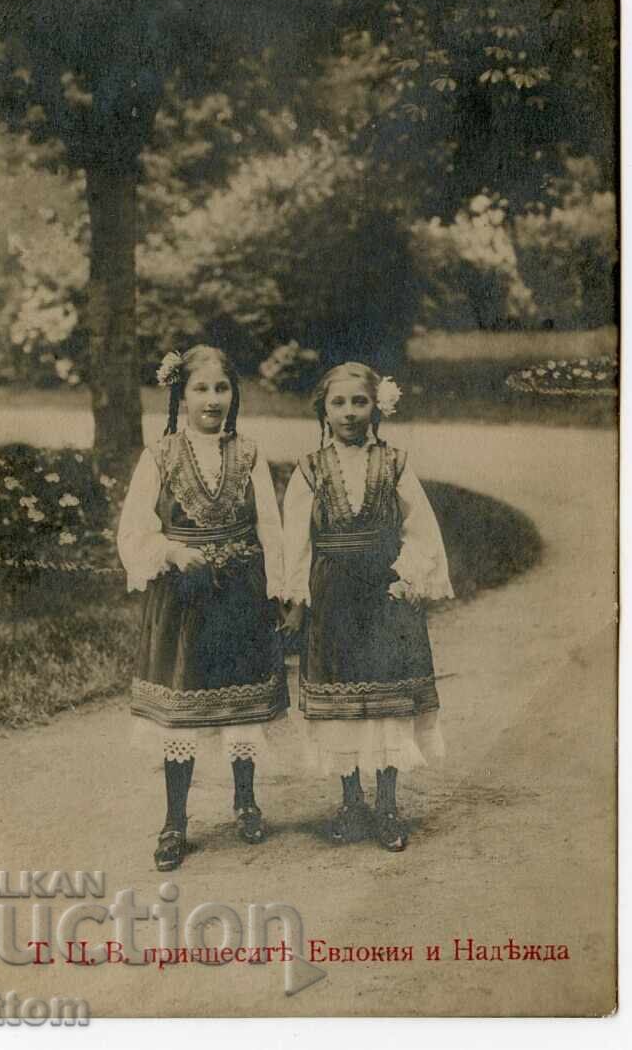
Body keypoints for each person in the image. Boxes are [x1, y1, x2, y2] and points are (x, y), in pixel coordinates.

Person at [117, 345, 288, 871]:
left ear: (233, 395)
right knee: (182, 714)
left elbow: (270, 528)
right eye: (200, 389)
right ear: (181, 395)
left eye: (221, 389)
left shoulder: (250, 454)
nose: (212, 400)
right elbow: (134, 528)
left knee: (242, 707)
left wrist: (278, 589)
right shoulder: (161, 455)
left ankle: (245, 799)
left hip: (239, 594)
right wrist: (170, 551)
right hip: (185, 600)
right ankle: (175, 820)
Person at [282, 362, 454, 852]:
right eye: (339, 403)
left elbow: (419, 527)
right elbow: (296, 538)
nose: (350, 412)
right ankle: (351, 801)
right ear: (324, 410)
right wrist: (296, 597)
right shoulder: (310, 470)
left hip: (383, 596)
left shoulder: (395, 463)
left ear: (377, 406)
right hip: (334, 598)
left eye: (359, 402)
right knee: (342, 706)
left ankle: (388, 805)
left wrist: (410, 576)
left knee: (388, 704)